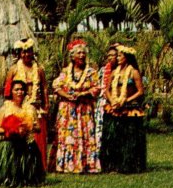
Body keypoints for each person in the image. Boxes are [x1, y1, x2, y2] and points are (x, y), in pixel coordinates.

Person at [51, 39, 101, 174]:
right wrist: (67, 96)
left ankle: (86, 164)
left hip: (83, 109)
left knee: (85, 135)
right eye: (78, 53)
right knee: (67, 137)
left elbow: (96, 88)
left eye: (83, 53)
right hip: (68, 110)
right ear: (72, 56)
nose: (81, 55)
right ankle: (66, 164)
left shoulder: (91, 72)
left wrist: (83, 94)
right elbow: (56, 86)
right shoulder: (66, 72)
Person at [0, 80, 46, 187]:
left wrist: (28, 127)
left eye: (22, 89)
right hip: (10, 145)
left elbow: (38, 128)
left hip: (27, 144)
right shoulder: (5, 109)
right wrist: (12, 129)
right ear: (11, 92)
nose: (20, 92)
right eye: (16, 89)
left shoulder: (31, 109)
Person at [3, 39, 49, 170]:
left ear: (33, 52)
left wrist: (46, 106)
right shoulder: (14, 69)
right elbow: (7, 90)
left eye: (29, 52)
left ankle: (40, 166)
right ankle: (21, 165)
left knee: (38, 136)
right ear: (20, 54)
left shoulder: (39, 69)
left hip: (36, 106)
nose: (26, 55)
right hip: (19, 107)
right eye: (24, 52)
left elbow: (44, 87)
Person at [100, 45, 146, 173]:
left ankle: (129, 165)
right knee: (114, 138)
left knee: (128, 138)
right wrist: (112, 100)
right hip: (114, 107)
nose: (118, 58)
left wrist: (126, 100)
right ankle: (113, 165)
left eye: (120, 56)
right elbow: (107, 90)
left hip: (129, 108)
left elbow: (140, 91)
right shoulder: (114, 72)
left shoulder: (134, 72)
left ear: (127, 58)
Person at [95, 44, 119, 151]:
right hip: (102, 103)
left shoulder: (123, 70)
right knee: (101, 130)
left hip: (117, 103)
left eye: (113, 55)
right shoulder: (103, 70)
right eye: (109, 55)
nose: (110, 58)